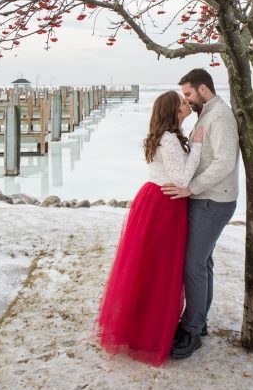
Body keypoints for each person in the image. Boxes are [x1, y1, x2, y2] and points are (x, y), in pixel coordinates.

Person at [92, 90, 203, 367]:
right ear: (173, 110)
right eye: (182, 101)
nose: (186, 103)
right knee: (160, 270)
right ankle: (148, 333)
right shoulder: (168, 139)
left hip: (153, 200)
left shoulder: (167, 136)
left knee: (147, 268)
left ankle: (140, 326)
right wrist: (198, 146)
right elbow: (180, 177)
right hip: (164, 206)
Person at [163, 68, 240, 359]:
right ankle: (199, 322)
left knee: (192, 265)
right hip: (207, 199)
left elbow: (224, 163)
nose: (186, 100)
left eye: (188, 94)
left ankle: (192, 329)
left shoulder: (219, 117)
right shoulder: (207, 114)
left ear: (203, 89)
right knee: (202, 263)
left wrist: (190, 188)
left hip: (213, 201)